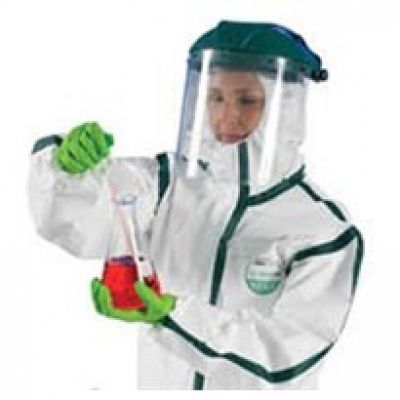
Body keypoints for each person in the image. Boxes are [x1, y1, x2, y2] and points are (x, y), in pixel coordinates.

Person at [28, 20, 364, 390]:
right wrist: (67, 169)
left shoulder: (323, 230)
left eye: (247, 100)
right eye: (215, 97)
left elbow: (284, 359)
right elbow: (81, 223)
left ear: (284, 107)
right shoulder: (168, 185)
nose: (227, 116)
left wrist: (174, 317)